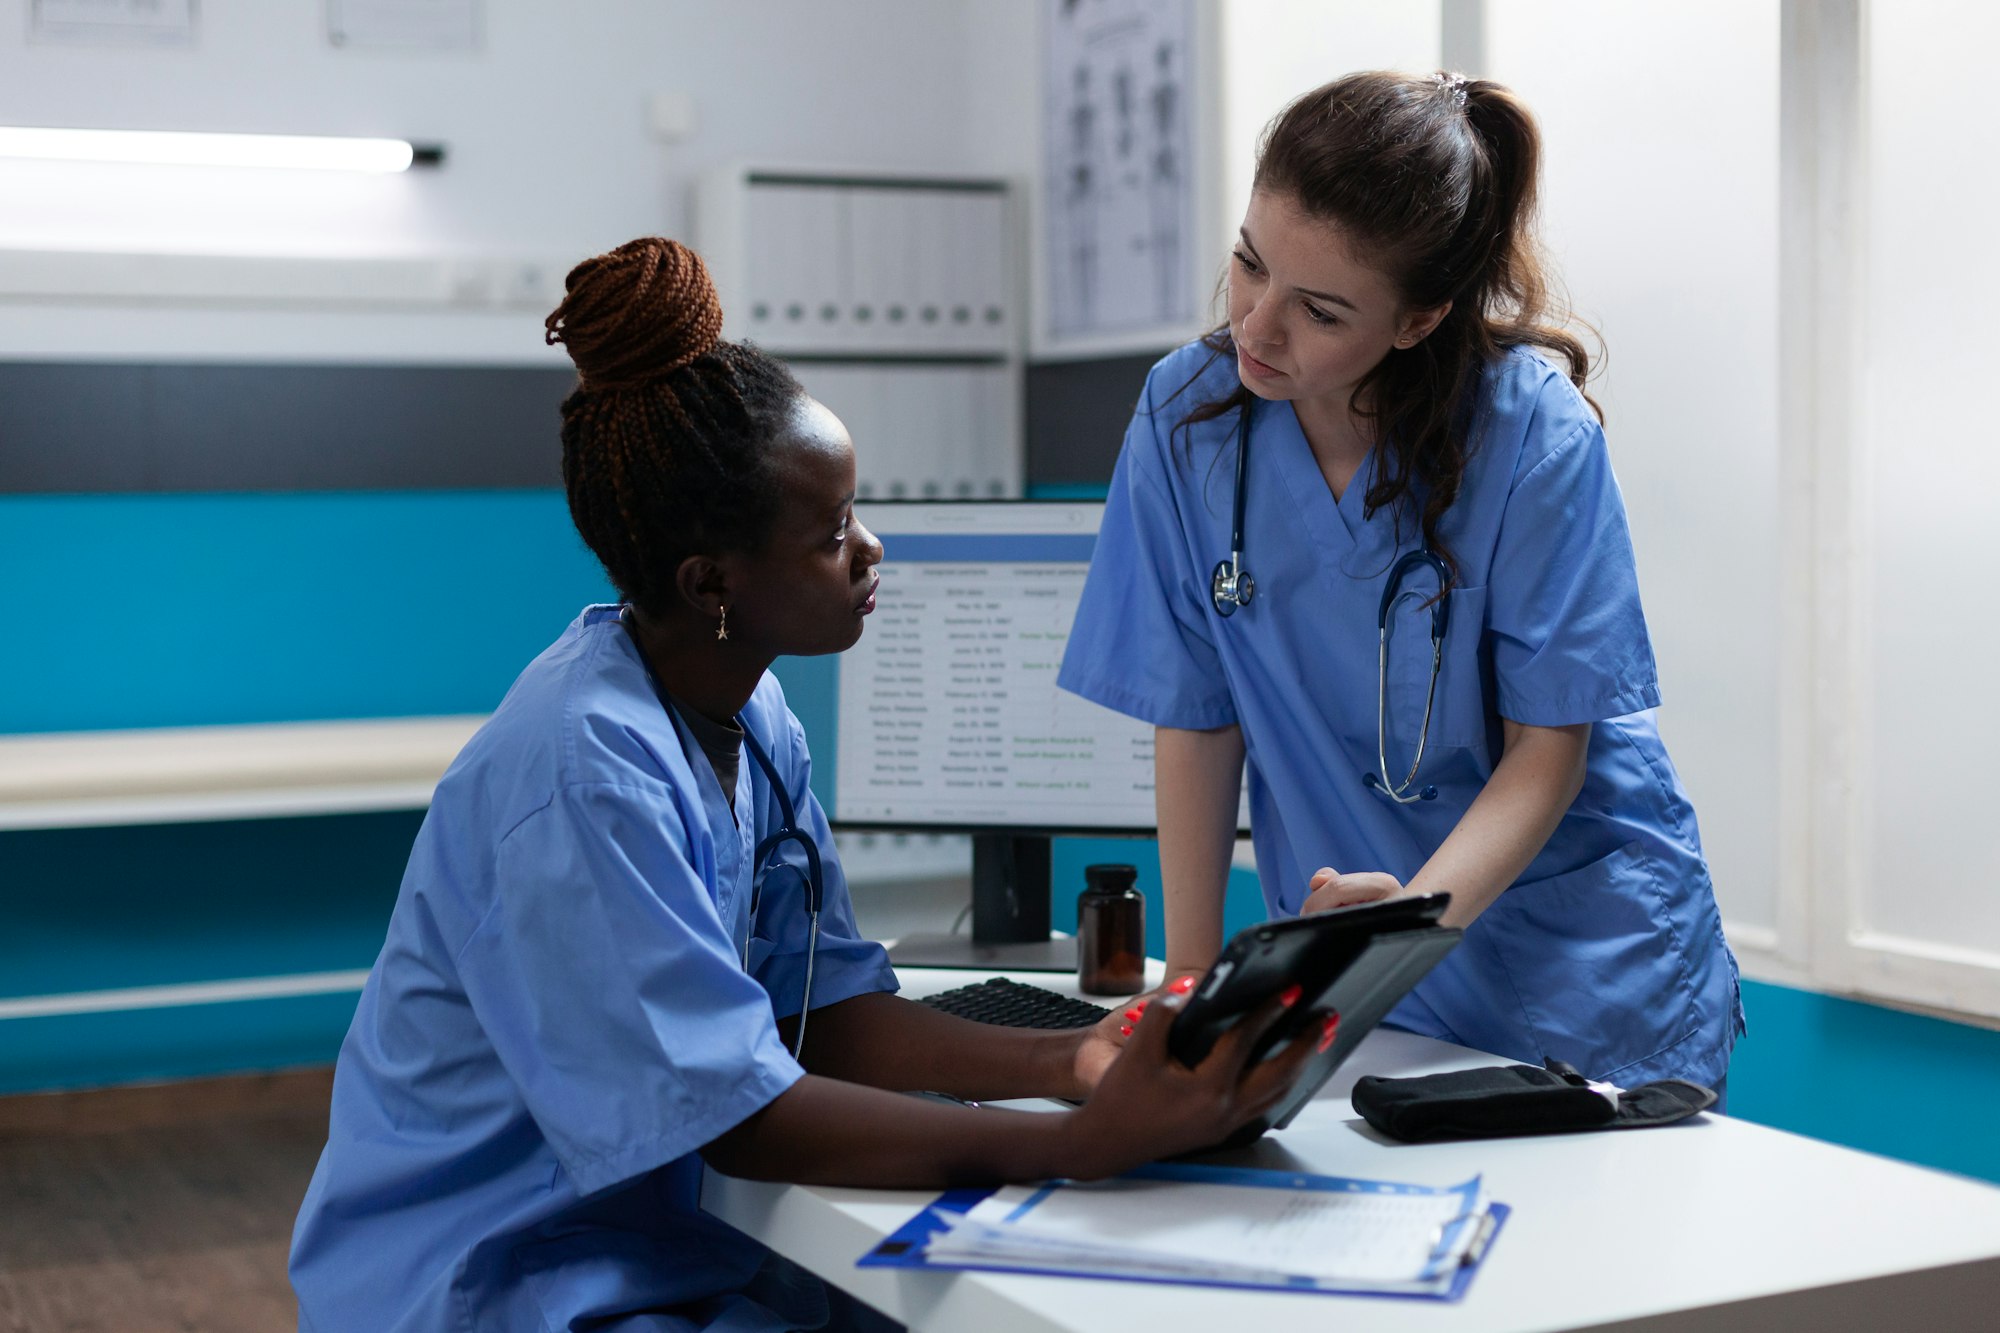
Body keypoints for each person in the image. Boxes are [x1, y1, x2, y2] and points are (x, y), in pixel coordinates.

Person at [287, 237, 1308, 1333]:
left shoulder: (749, 714)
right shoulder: (583, 773)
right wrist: (1078, 1145)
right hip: (498, 1272)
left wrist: (1074, 1060)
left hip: (658, 1240)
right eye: (831, 536)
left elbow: (817, 1009)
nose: (871, 549)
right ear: (710, 582)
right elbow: (738, 1115)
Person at [1057, 71, 1744, 1095]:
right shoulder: (1186, 414)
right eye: (1248, 264)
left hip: (1576, 967)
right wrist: (1192, 990)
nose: (1255, 327)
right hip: (1358, 960)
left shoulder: (1529, 438)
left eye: (1319, 310)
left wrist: (1391, 941)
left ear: (1418, 318)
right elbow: (1200, 715)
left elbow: (1545, 753)